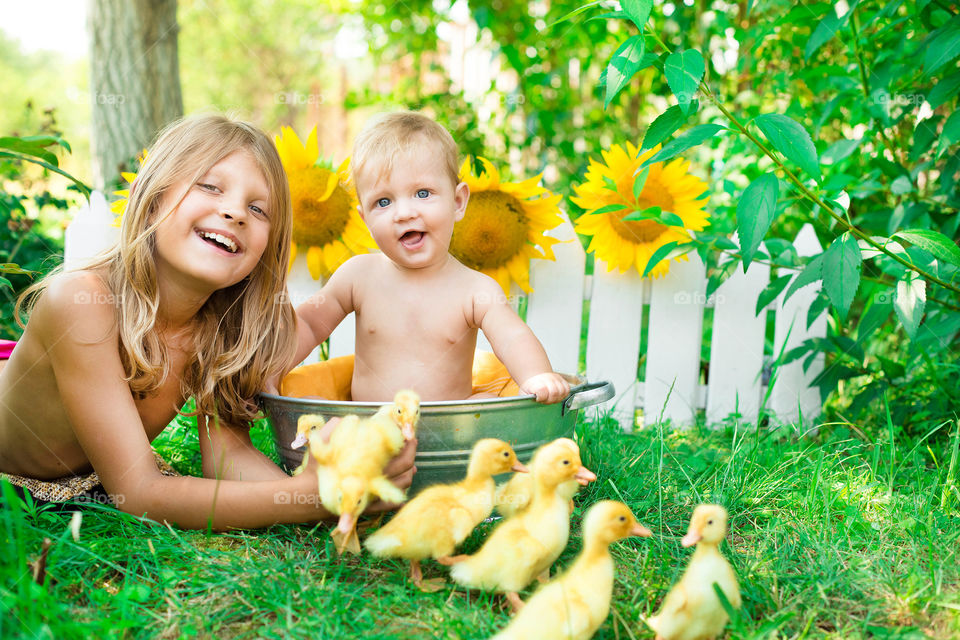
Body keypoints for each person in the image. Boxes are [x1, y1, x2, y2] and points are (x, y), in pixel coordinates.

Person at [0, 114, 415, 528]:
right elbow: (140, 493)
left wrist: (337, 498)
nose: (235, 212)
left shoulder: (222, 328)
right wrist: (312, 498)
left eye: (258, 209)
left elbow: (226, 459)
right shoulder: (82, 302)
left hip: (90, 475)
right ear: (153, 200)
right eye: (210, 186)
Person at [292, 111, 570, 404]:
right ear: (366, 219)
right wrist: (271, 370)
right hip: (373, 430)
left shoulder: (475, 290)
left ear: (458, 201)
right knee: (316, 408)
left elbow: (512, 337)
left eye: (422, 193)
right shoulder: (358, 277)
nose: (404, 213)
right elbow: (309, 324)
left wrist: (535, 375)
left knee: (485, 402)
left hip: (449, 430)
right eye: (383, 202)